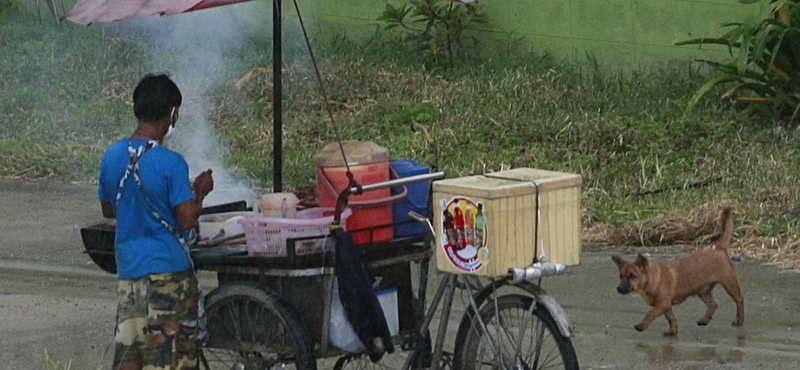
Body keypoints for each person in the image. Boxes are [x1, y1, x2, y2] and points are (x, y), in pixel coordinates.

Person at [98, 73, 214, 370]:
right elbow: (186, 219)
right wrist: (199, 192)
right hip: (170, 278)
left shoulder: (112, 156)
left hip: (130, 275)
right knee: (169, 358)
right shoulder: (171, 162)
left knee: (131, 357)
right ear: (173, 112)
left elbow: (108, 209)